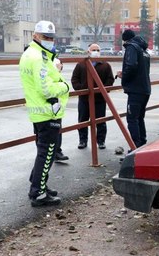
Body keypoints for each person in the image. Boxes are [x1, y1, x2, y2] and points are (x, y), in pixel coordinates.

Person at [19, 20, 70, 207]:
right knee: (47, 152)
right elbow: (46, 89)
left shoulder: (32, 54)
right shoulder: (38, 57)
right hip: (48, 111)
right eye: (45, 37)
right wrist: (64, 86)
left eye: (51, 37)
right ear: (35, 36)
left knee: (45, 151)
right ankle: (38, 193)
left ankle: (38, 183)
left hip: (40, 111)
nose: (49, 40)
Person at [71, 43, 115, 149]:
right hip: (84, 98)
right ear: (88, 51)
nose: (96, 52)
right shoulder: (81, 64)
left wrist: (102, 90)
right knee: (83, 120)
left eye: (97, 50)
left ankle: (101, 141)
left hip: (99, 99)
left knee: (101, 121)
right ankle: (83, 141)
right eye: (93, 50)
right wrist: (82, 89)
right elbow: (74, 79)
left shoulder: (105, 65)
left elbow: (110, 79)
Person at [116, 29, 151, 148]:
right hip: (145, 88)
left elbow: (131, 65)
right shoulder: (143, 50)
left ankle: (135, 147)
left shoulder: (131, 47)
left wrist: (124, 76)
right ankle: (142, 144)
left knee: (132, 119)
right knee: (139, 118)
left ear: (124, 39)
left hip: (136, 90)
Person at [52, 57, 69, 162]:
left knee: (57, 130)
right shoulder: (52, 75)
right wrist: (56, 71)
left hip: (57, 108)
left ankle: (57, 151)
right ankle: (53, 152)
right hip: (49, 108)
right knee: (47, 133)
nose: (60, 66)